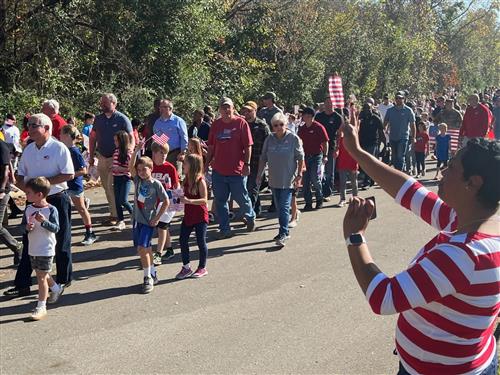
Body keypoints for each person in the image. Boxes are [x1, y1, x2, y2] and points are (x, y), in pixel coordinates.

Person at [340, 117, 500, 374]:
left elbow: (384, 297)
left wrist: (354, 237)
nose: (444, 171)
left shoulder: (464, 255)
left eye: (452, 167)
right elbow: (409, 191)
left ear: (474, 183)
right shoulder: (476, 222)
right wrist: (357, 152)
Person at [4, 113, 74, 298]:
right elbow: (20, 175)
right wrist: (27, 189)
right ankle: (22, 284)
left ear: (47, 128)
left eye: (35, 125)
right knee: (29, 241)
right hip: (32, 201)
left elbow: (68, 174)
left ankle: (63, 279)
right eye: (29, 125)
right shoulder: (28, 150)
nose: (31, 128)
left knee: (61, 240)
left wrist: (43, 185)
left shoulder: (59, 148)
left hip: (56, 198)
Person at [205, 97, 256, 239]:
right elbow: (211, 146)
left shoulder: (241, 123)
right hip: (219, 171)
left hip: (237, 171)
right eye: (223, 107)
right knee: (220, 201)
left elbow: (248, 146)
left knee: (242, 199)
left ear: (233, 109)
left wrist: (247, 164)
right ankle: (225, 228)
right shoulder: (216, 125)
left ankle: (250, 216)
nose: (226, 110)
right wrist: (206, 164)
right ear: (219, 110)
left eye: (228, 107)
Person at [256, 113, 304, 247]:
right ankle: (284, 230)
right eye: (276, 125)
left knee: (283, 207)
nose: (278, 127)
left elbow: (300, 157)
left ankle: (283, 233)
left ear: (286, 124)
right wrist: (259, 174)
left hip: (288, 179)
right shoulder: (269, 139)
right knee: (279, 207)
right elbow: (263, 157)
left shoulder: (293, 138)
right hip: (274, 179)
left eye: (281, 124)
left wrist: (299, 174)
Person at [89, 93, 134, 226]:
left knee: (110, 186)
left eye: (105, 103)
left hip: (116, 158)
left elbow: (131, 138)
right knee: (106, 187)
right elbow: (93, 137)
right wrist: (91, 156)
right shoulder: (98, 119)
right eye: (101, 103)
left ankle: (117, 216)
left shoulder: (122, 119)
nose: (102, 105)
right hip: (102, 156)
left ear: (114, 103)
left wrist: (127, 153)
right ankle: (113, 213)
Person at [23, 177, 64, 320]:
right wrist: (27, 228)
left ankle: (41, 307)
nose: (26, 195)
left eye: (28, 193)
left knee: (40, 276)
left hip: (46, 248)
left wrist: (44, 222)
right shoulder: (28, 208)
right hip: (33, 248)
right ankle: (56, 289)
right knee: (42, 273)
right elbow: (24, 226)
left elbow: (56, 228)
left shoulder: (51, 210)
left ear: (39, 194)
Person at [129, 152, 169, 294]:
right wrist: (136, 150)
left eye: (144, 169)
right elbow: (130, 167)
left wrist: (157, 217)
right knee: (146, 250)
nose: (141, 173)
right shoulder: (138, 181)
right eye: (139, 170)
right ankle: (153, 272)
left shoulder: (156, 184)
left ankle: (147, 278)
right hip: (136, 221)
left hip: (148, 222)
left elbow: (166, 201)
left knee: (141, 249)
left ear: (151, 168)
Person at [60, 125, 97, 245]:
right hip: (64, 186)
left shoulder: (74, 151)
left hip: (74, 185)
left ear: (67, 136)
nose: (59, 136)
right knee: (64, 211)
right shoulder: (62, 150)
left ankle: (90, 233)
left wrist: (69, 175)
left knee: (81, 209)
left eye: (61, 134)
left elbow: (83, 170)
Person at [175, 154, 209, 279]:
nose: (183, 165)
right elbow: (183, 195)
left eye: (185, 163)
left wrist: (189, 201)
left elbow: (204, 200)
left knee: (201, 241)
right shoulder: (186, 179)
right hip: (188, 215)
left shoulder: (200, 181)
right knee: (182, 240)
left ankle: (202, 267)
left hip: (200, 216)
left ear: (192, 166)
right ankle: (186, 267)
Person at [149, 141, 180, 264]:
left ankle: (158, 254)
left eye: (166, 153)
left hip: (168, 201)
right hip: (155, 203)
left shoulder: (170, 167)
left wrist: (177, 202)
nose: (164, 156)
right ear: (154, 153)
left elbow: (176, 185)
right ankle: (170, 249)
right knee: (163, 226)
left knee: (161, 226)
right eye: (161, 153)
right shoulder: (150, 167)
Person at [241, 100, 270, 217]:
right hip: (244, 162)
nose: (247, 113)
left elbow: (268, 144)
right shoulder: (242, 124)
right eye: (245, 111)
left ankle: (249, 214)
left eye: (249, 111)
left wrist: (267, 162)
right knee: (249, 188)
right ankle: (256, 211)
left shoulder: (262, 126)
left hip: (258, 162)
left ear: (255, 111)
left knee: (251, 189)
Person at [297, 107, 329, 211]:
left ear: (310, 117)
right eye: (303, 116)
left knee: (315, 178)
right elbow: (298, 143)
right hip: (305, 157)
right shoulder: (301, 129)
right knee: (305, 181)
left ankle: (319, 199)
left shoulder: (319, 127)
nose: (303, 118)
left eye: (305, 116)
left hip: (317, 156)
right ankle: (308, 202)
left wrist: (325, 155)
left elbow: (325, 142)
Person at [315, 98, 343, 198]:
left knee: (329, 172)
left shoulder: (337, 117)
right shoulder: (318, 116)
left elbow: (340, 134)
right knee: (319, 171)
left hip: (332, 147)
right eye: (326, 103)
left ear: (333, 104)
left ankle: (327, 193)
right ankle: (320, 191)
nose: (328, 105)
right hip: (319, 148)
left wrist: (337, 148)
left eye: (330, 103)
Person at [0, 139, 22, 265]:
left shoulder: (1, 146)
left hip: (1, 191)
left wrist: (2, 190)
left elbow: (5, 170)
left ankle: (17, 246)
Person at [153, 98, 188, 174]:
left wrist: (183, 152)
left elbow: (184, 137)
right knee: (163, 176)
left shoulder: (178, 121)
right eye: (160, 107)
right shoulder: (157, 122)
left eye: (164, 107)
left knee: (175, 176)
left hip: (175, 153)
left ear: (170, 108)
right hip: (161, 154)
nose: (161, 109)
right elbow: (156, 138)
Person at [383, 92, 416, 171]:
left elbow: (412, 125)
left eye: (400, 98)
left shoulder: (408, 110)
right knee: (394, 157)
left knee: (400, 156)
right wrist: (384, 130)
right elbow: (385, 122)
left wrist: (413, 137)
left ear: (404, 99)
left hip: (403, 137)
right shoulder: (390, 110)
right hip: (393, 137)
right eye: (397, 98)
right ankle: (397, 172)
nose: (398, 100)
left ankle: (400, 173)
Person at [358, 102, 385, 188]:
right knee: (365, 163)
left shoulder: (375, 118)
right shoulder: (360, 118)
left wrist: (384, 145)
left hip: (373, 143)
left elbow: (381, 132)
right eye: (365, 108)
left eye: (368, 108)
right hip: (363, 143)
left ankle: (367, 181)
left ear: (372, 108)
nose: (367, 110)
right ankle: (372, 179)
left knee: (369, 162)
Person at [112, 130, 134, 231]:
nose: (115, 142)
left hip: (125, 178)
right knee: (117, 201)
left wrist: (120, 169)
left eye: (116, 141)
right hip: (116, 178)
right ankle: (120, 220)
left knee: (123, 200)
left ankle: (134, 213)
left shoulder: (129, 153)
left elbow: (131, 168)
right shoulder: (116, 151)